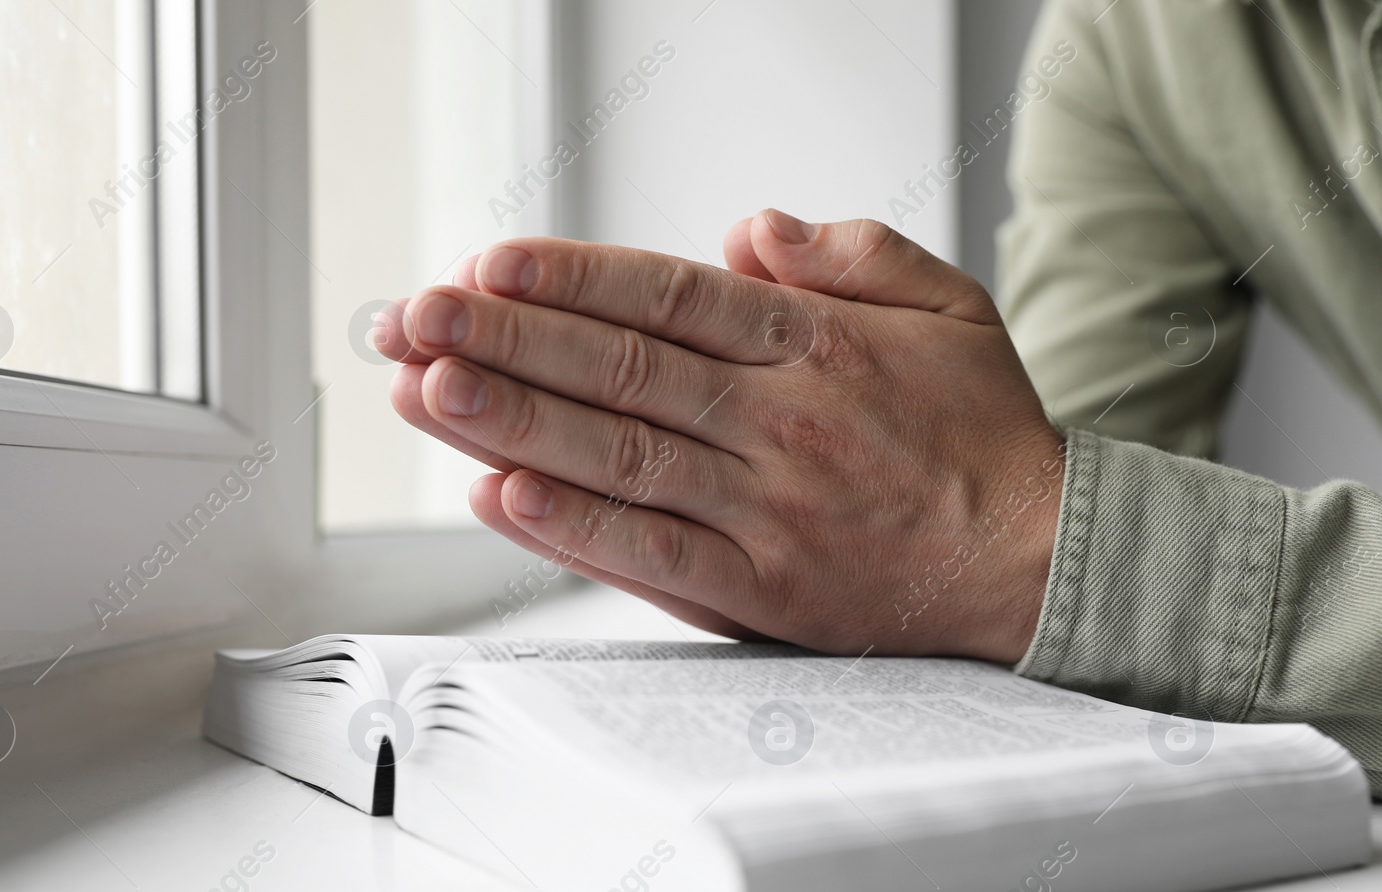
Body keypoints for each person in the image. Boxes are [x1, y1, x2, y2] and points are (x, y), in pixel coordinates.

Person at [374, 0, 1382, 798]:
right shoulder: (1129, 42)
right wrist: (857, 532)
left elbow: (1039, 544)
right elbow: (1068, 543)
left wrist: (1021, 537)